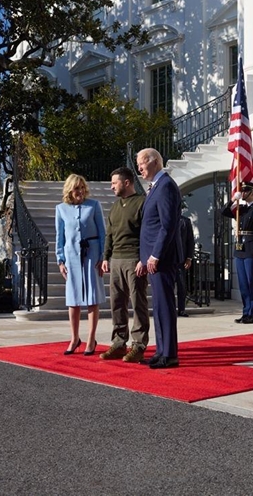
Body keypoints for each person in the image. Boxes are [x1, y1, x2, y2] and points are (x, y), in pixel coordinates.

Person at [135, 148, 183, 369]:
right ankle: (162, 351)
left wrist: (155, 255)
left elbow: (167, 225)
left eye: (141, 164)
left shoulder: (166, 187)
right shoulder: (156, 187)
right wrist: (144, 258)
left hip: (162, 259)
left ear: (153, 162)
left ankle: (169, 354)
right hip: (153, 259)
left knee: (165, 306)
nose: (139, 168)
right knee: (159, 307)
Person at [100, 167, 149, 363]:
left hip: (133, 259)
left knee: (138, 303)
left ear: (127, 182)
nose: (111, 187)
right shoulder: (114, 207)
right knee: (117, 304)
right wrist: (106, 257)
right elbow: (109, 234)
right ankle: (119, 343)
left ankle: (139, 345)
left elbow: (147, 234)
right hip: (116, 260)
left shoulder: (142, 203)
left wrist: (143, 259)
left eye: (114, 183)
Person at [55, 174, 106, 356]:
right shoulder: (61, 209)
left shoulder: (94, 206)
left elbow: (102, 233)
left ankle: (91, 339)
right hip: (71, 256)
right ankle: (74, 338)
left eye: (82, 187)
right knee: (73, 299)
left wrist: (102, 256)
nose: (80, 191)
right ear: (70, 189)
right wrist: (60, 260)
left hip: (92, 254)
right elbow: (59, 237)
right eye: (77, 188)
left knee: (92, 297)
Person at [221, 182, 253, 324]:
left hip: (251, 250)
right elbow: (224, 211)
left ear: (252, 192)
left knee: (251, 282)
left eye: (246, 191)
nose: (243, 193)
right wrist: (233, 199)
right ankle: (246, 312)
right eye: (242, 191)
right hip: (240, 250)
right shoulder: (240, 209)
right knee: (242, 284)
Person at [175, 208, 195, 317]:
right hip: (167, 260)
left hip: (180, 260)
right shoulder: (164, 220)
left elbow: (190, 241)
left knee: (182, 286)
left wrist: (189, 258)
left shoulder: (185, 221)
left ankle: (181, 309)